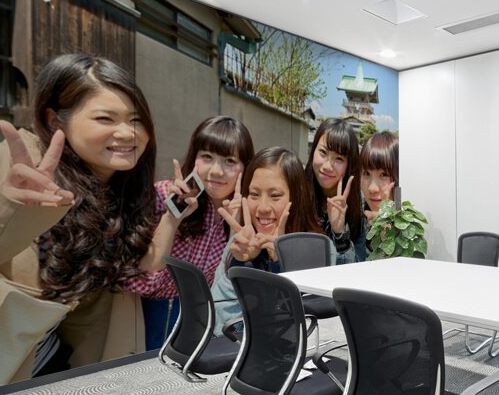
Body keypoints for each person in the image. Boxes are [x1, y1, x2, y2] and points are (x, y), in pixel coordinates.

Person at [0, 53, 157, 390]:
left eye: (136, 119)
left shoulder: (120, 196)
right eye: (106, 118)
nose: (127, 133)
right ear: (56, 120)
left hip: (53, 383)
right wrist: (8, 211)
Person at [124, 116, 254, 349]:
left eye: (230, 161)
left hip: (205, 321)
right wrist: (172, 218)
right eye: (207, 157)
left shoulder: (244, 213)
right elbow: (142, 281)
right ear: (194, 157)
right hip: (151, 317)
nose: (216, 171)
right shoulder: (163, 197)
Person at [210, 146, 321, 334]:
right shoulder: (237, 246)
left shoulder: (318, 248)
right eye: (254, 194)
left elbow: (305, 328)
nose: (262, 207)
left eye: (275, 195)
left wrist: (280, 263)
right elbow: (219, 324)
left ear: (297, 197)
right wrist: (241, 264)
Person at [304, 118, 366, 263]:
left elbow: (358, 270)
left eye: (338, 159)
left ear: (349, 165)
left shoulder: (358, 205)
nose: (327, 166)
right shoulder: (297, 192)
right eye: (323, 152)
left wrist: (340, 233)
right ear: (313, 151)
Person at [360, 131, 398, 222]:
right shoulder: (359, 222)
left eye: (383, 175)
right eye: (366, 173)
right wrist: (339, 231)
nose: (372, 188)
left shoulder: (410, 229)